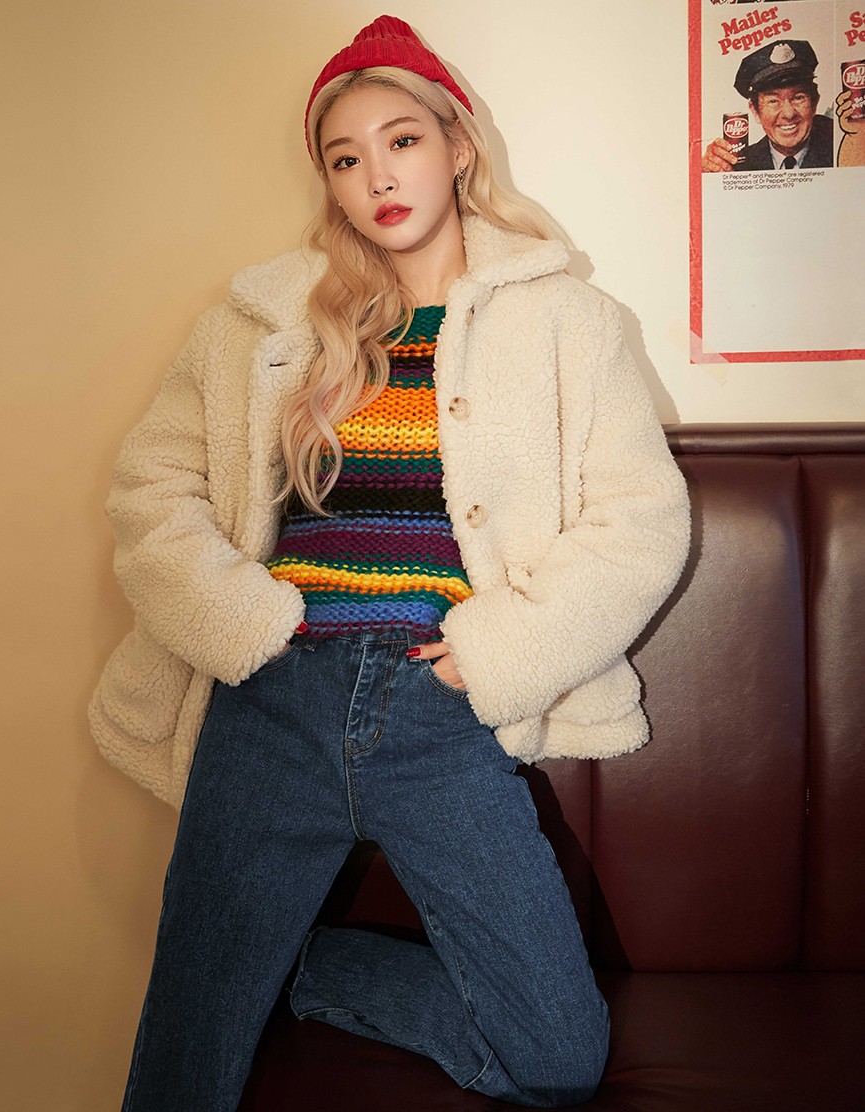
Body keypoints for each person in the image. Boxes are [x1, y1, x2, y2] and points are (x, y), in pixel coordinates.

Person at [91, 15, 690, 1111]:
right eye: (345, 157)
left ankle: (300, 968)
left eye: (402, 141)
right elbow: (149, 492)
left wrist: (489, 656)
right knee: (184, 1068)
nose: (378, 176)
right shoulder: (260, 324)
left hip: (438, 705)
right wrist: (250, 629)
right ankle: (250, 970)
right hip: (269, 697)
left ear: (457, 146)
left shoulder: (570, 321)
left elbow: (641, 524)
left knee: (559, 1059)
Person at [702, 39, 833, 171]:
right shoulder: (738, 164)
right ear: (755, 111)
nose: (788, 114)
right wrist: (707, 172)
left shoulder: (839, 147)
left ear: (814, 103)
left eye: (798, 98)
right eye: (773, 101)